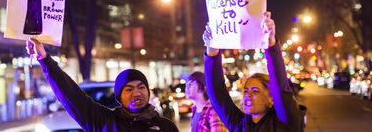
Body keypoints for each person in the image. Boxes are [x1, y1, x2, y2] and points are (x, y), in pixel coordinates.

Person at [26, 38, 179, 132]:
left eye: (141, 87)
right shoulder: (104, 122)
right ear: (119, 97)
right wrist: (44, 59)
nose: (137, 93)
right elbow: (71, 94)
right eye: (129, 89)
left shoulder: (166, 127)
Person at [203, 12, 306, 132]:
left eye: (255, 91)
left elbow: (280, 88)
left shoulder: (285, 122)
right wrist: (212, 51)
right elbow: (217, 93)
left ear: (271, 98)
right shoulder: (240, 125)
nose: (248, 95)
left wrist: (271, 45)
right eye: (246, 90)